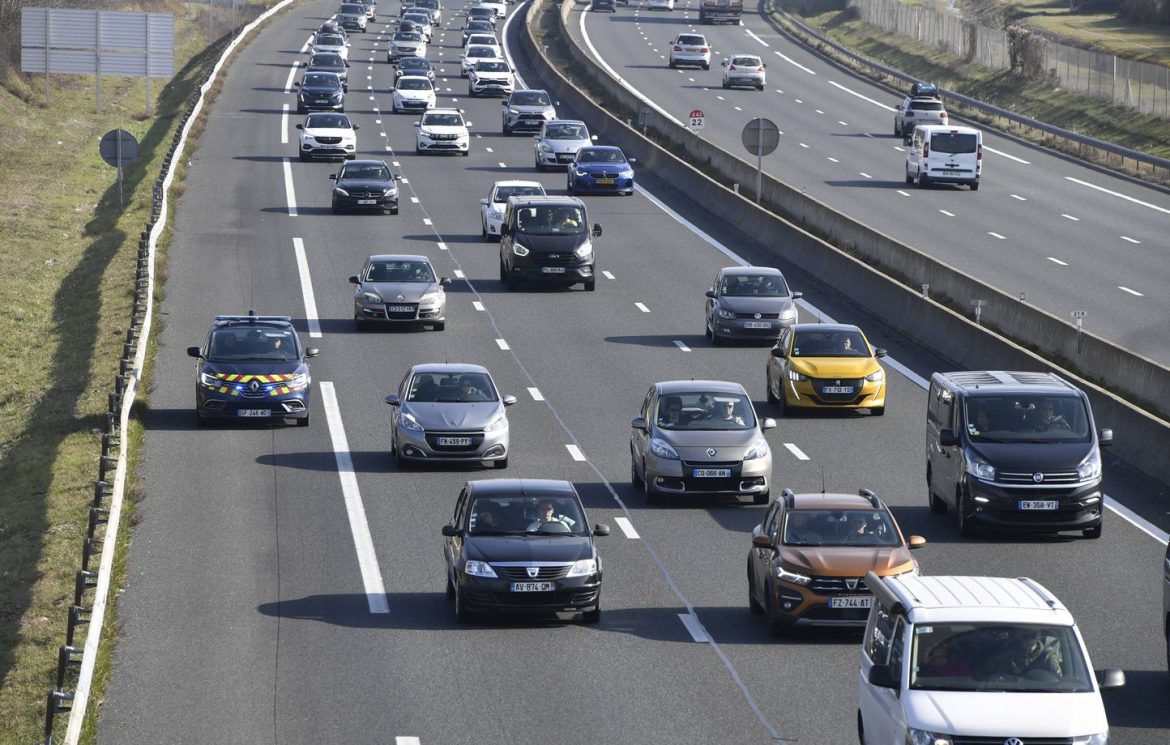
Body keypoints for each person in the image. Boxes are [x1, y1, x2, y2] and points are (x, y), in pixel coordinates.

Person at [986, 628, 1062, 678]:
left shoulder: (1048, 656)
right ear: (1018, 635)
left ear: (1040, 635)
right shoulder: (1006, 655)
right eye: (1025, 635)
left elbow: (1058, 680)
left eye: (1032, 635)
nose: (1028, 640)